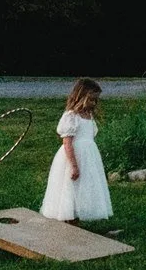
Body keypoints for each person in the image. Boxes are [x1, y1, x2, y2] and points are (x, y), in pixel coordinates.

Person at [41, 77, 113, 224]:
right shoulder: (71, 116)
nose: (94, 103)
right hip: (74, 157)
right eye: (91, 99)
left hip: (88, 158)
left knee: (85, 187)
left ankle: (78, 215)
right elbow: (67, 143)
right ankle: (69, 217)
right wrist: (73, 165)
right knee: (70, 187)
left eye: (96, 100)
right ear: (80, 97)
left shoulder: (89, 116)